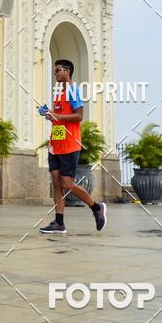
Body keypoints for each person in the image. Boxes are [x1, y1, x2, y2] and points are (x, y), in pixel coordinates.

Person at [39, 59, 106, 235]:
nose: (55, 73)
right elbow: (60, 117)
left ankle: (96, 207)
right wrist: (51, 116)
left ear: (67, 72)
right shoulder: (59, 93)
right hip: (56, 144)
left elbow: (78, 116)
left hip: (69, 145)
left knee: (68, 183)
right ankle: (59, 223)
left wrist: (58, 116)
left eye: (58, 70)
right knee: (56, 182)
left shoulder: (73, 91)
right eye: (54, 70)